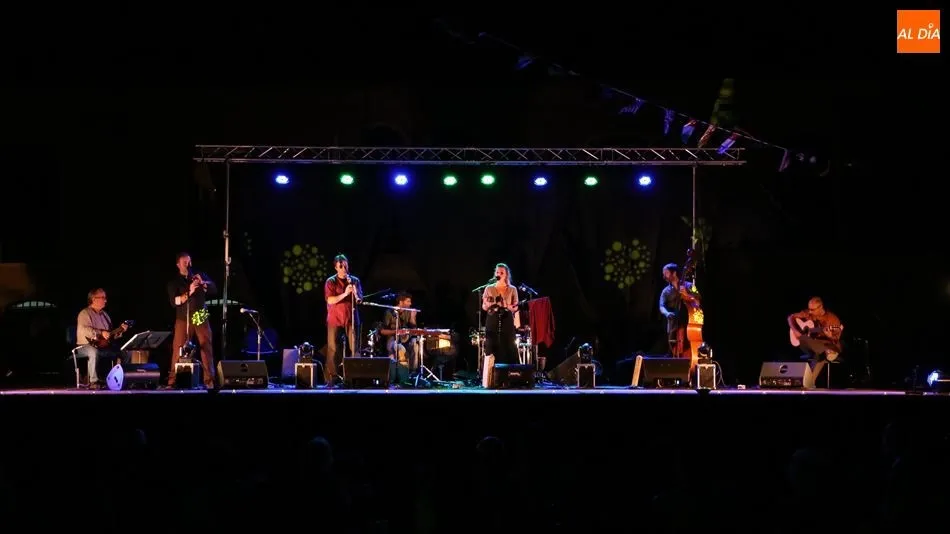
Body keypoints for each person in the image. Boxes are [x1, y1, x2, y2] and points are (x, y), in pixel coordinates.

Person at [166, 252, 217, 389]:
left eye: (189, 262)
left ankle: (209, 380)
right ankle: (173, 380)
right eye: (185, 262)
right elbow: (174, 302)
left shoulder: (199, 275)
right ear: (178, 265)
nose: (188, 265)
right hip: (183, 318)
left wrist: (203, 283)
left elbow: (214, 289)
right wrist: (189, 291)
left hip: (200, 315)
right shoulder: (174, 282)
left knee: (206, 347)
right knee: (179, 348)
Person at [76, 288, 129, 389]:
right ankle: (94, 382)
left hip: (102, 346)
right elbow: (85, 330)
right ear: (93, 299)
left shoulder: (105, 315)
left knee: (124, 352)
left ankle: (121, 379)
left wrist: (120, 330)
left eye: (105, 298)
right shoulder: (85, 313)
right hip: (85, 346)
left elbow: (109, 334)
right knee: (93, 351)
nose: (105, 300)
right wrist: (101, 332)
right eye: (103, 297)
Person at [324, 254, 362, 385]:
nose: (344, 269)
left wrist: (355, 293)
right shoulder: (331, 281)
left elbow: (360, 300)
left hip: (351, 319)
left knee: (355, 348)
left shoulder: (355, 280)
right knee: (333, 349)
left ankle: (356, 377)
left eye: (345, 266)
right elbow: (330, 300)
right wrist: (345, 293)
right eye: (341, 266)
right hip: (335, 319)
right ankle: (332, 378)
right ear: (336, 267)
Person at [788, 297, 844, 383]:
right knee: (805, 339)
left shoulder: (832, 319)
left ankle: (808, 382)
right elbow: (790, 317)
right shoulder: (807, 313)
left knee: (819, 355)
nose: (810, 312)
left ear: (820, 307)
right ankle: (826, 351)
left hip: (823, 347)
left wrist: (830, 336)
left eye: (812, 310)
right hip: (809, 345)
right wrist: (795, 331)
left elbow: (836, 340)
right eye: (809, 309)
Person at [658, 262, 701, 359]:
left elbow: (698, 302)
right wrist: (667, 313)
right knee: (672, 348)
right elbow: (661, 305)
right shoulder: (666, 291)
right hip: (673, 322)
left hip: (688, 321)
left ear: (674, 273)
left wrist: (687, 296)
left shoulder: (690, 286)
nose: (664, 276)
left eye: (666, 273)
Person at [481, 263, 520, 365]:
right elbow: (484, 307)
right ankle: (490, 371)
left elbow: (516, 307)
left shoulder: (512, 289)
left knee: (508, 344)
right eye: (497, 272)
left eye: (501, 273)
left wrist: (506, 305)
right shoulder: (489, 288)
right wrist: (488, 304)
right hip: (492, 317)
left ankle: (511, 371)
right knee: (491, 343)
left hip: (507, 318)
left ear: (506, 274)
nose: (499, 274)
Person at [378, 291, 418, 384]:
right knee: (400, 348)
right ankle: (398, 377)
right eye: (408, 301)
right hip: (392, 339)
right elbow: (382, 331)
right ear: (401, 302)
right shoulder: (389, 312)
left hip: (405, 339)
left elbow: (414, 329)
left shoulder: (408, 312)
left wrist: (413, 317)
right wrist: (397, 332)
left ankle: (412, 371)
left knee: (415, 345)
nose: (410, 304)